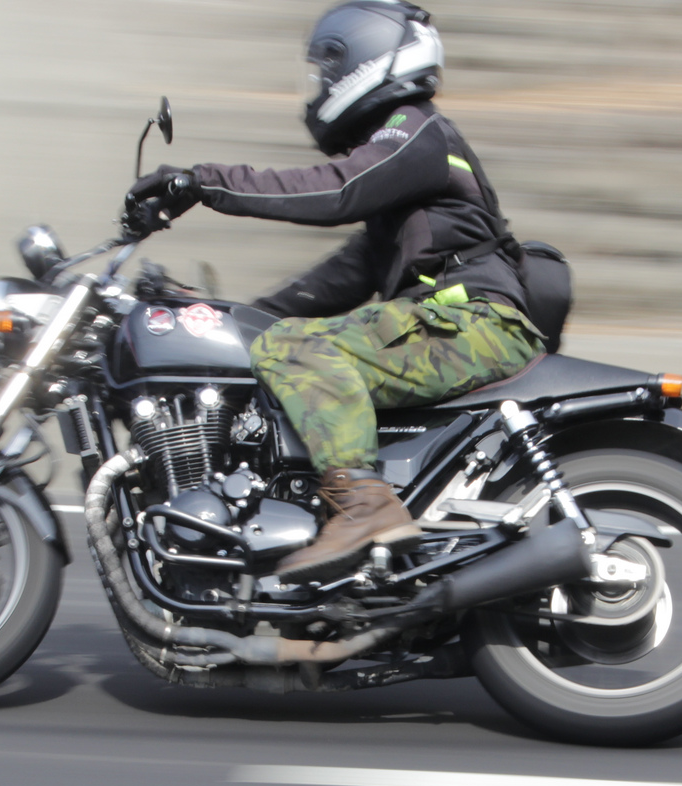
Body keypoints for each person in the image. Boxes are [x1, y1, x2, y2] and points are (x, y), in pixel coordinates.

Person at [122, 1, 543, 582]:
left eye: (329, 69)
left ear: (369, 60)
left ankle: (365, 506)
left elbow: (338, 190)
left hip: (472, 323)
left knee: (294, 350)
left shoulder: (416, 131)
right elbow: (349, 273)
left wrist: (204, 183)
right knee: (278, 343)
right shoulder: (407, 172)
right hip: (456, 325)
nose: (320, 84)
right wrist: (234, 320)